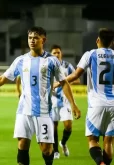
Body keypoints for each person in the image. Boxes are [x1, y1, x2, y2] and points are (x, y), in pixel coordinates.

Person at [0, 26, 81, 165]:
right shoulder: (20, 60)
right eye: (30, 38)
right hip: (24, 111)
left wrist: (73, 104)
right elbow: (3, 78)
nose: (32, 41)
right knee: (22, 144)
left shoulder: (52, 61)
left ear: (43, 40)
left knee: (47, 150)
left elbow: (64, 83)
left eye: (35, 38)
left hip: (44, 112)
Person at [61, 28, 114, 165]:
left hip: (96, 104)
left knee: (92, 139)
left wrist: (59, 82)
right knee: (108, 141)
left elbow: (75, 75)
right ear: (112, 42)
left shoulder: (90, 54)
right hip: (113, 104)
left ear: (97, 40)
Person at [49, 44, 80, 159]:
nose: (56, 54)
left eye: (58, 52)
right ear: (51, 55)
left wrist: (64, 82)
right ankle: (56, 151)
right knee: (54, 126)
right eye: (54, 53)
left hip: (65, 100)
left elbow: (77, 79)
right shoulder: (47, 66)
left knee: (68, 126)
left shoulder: (67, 66)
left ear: (61, 53)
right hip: (51, 100)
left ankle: (63, 142)